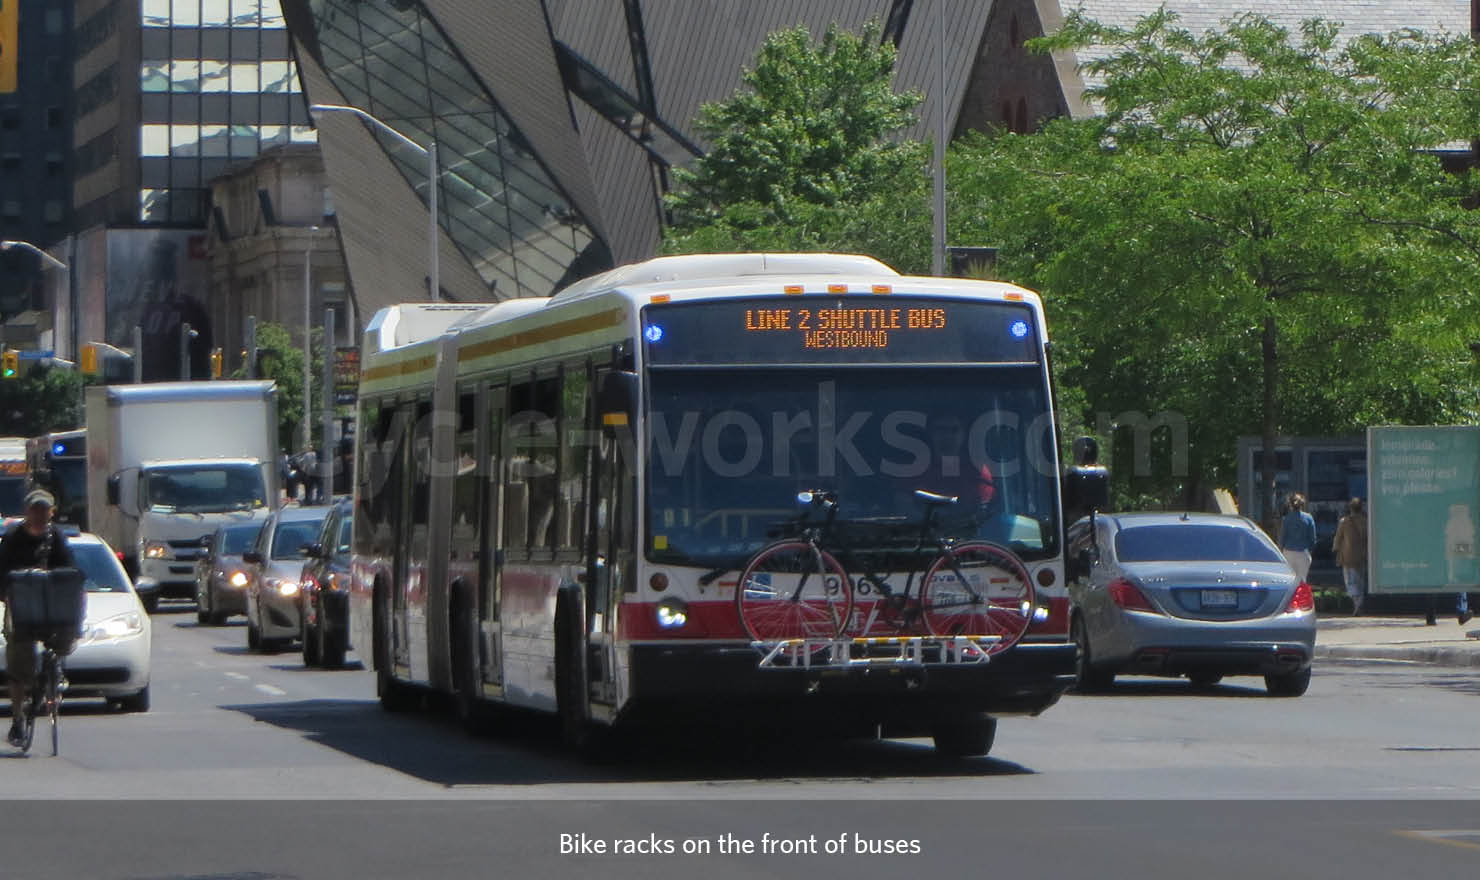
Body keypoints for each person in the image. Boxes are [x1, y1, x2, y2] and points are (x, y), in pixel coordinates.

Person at [0, 489, 75, 747]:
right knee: (19, 660)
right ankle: (18, 716)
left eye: (44, 510)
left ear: (51, 512)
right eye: (35, 509)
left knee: (66, 632)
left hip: (51, 605)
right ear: (27, 511)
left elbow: (69, 569)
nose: (40, 515)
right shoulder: (12, 539)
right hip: (22, 606)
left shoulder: (57, 538)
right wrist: (7, 594)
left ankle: (54, 675)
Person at [1331, 497, 1368, 615]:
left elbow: (1338, 538)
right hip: (1362, 556)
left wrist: (1335, 549)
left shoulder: (1344, 521)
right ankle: (1360, 602)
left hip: (1347, 556)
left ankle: (1356, 603)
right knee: (1360, 580)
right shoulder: (1366, 521)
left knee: (1350, 581)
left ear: (1350, 508)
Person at [1279, 492, 1316, 582]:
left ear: (1290, 505)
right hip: (1303, 552)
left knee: (1290, 579)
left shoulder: (1286, 519)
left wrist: (1281, 548)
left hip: (1288, 552)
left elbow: (1283, 537)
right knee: (1302, 580)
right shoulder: (1308, 518)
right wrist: (1310, 549)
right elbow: (1312, 538)